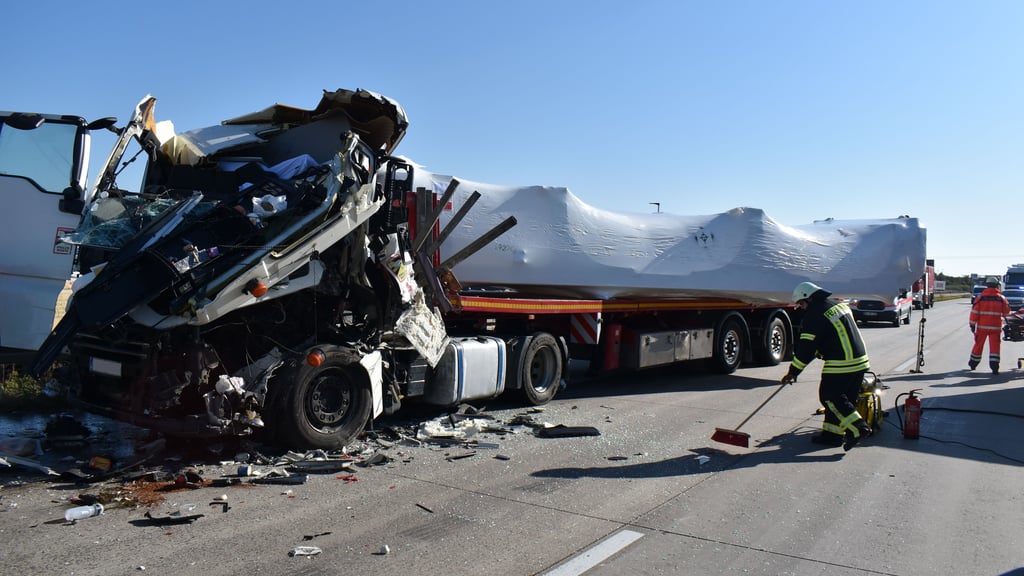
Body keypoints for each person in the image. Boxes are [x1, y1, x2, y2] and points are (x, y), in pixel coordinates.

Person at [781, 281, 873, 451]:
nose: (801, 308)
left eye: (801, 304)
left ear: (808, 299)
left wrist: (793, 372)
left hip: (841, 363)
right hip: (860, 360)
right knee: (844, 400)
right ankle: (833, 436)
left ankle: (859, 428)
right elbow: (831, 336)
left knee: (830, 397)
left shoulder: (814, 315)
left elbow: (805, 350)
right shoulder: (837, 305)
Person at [968, 276, 1011, 373]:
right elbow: (1007, 313)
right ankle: (994, 367)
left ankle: (973, 364)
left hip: (982, 328)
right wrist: (1009, 323)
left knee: (978, 345)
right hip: (995, 328)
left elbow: (974, 312)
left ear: (987, 285)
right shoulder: (1001, 298)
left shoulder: (980, 297)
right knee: (995, 347)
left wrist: (972, 324)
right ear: (997, 285)